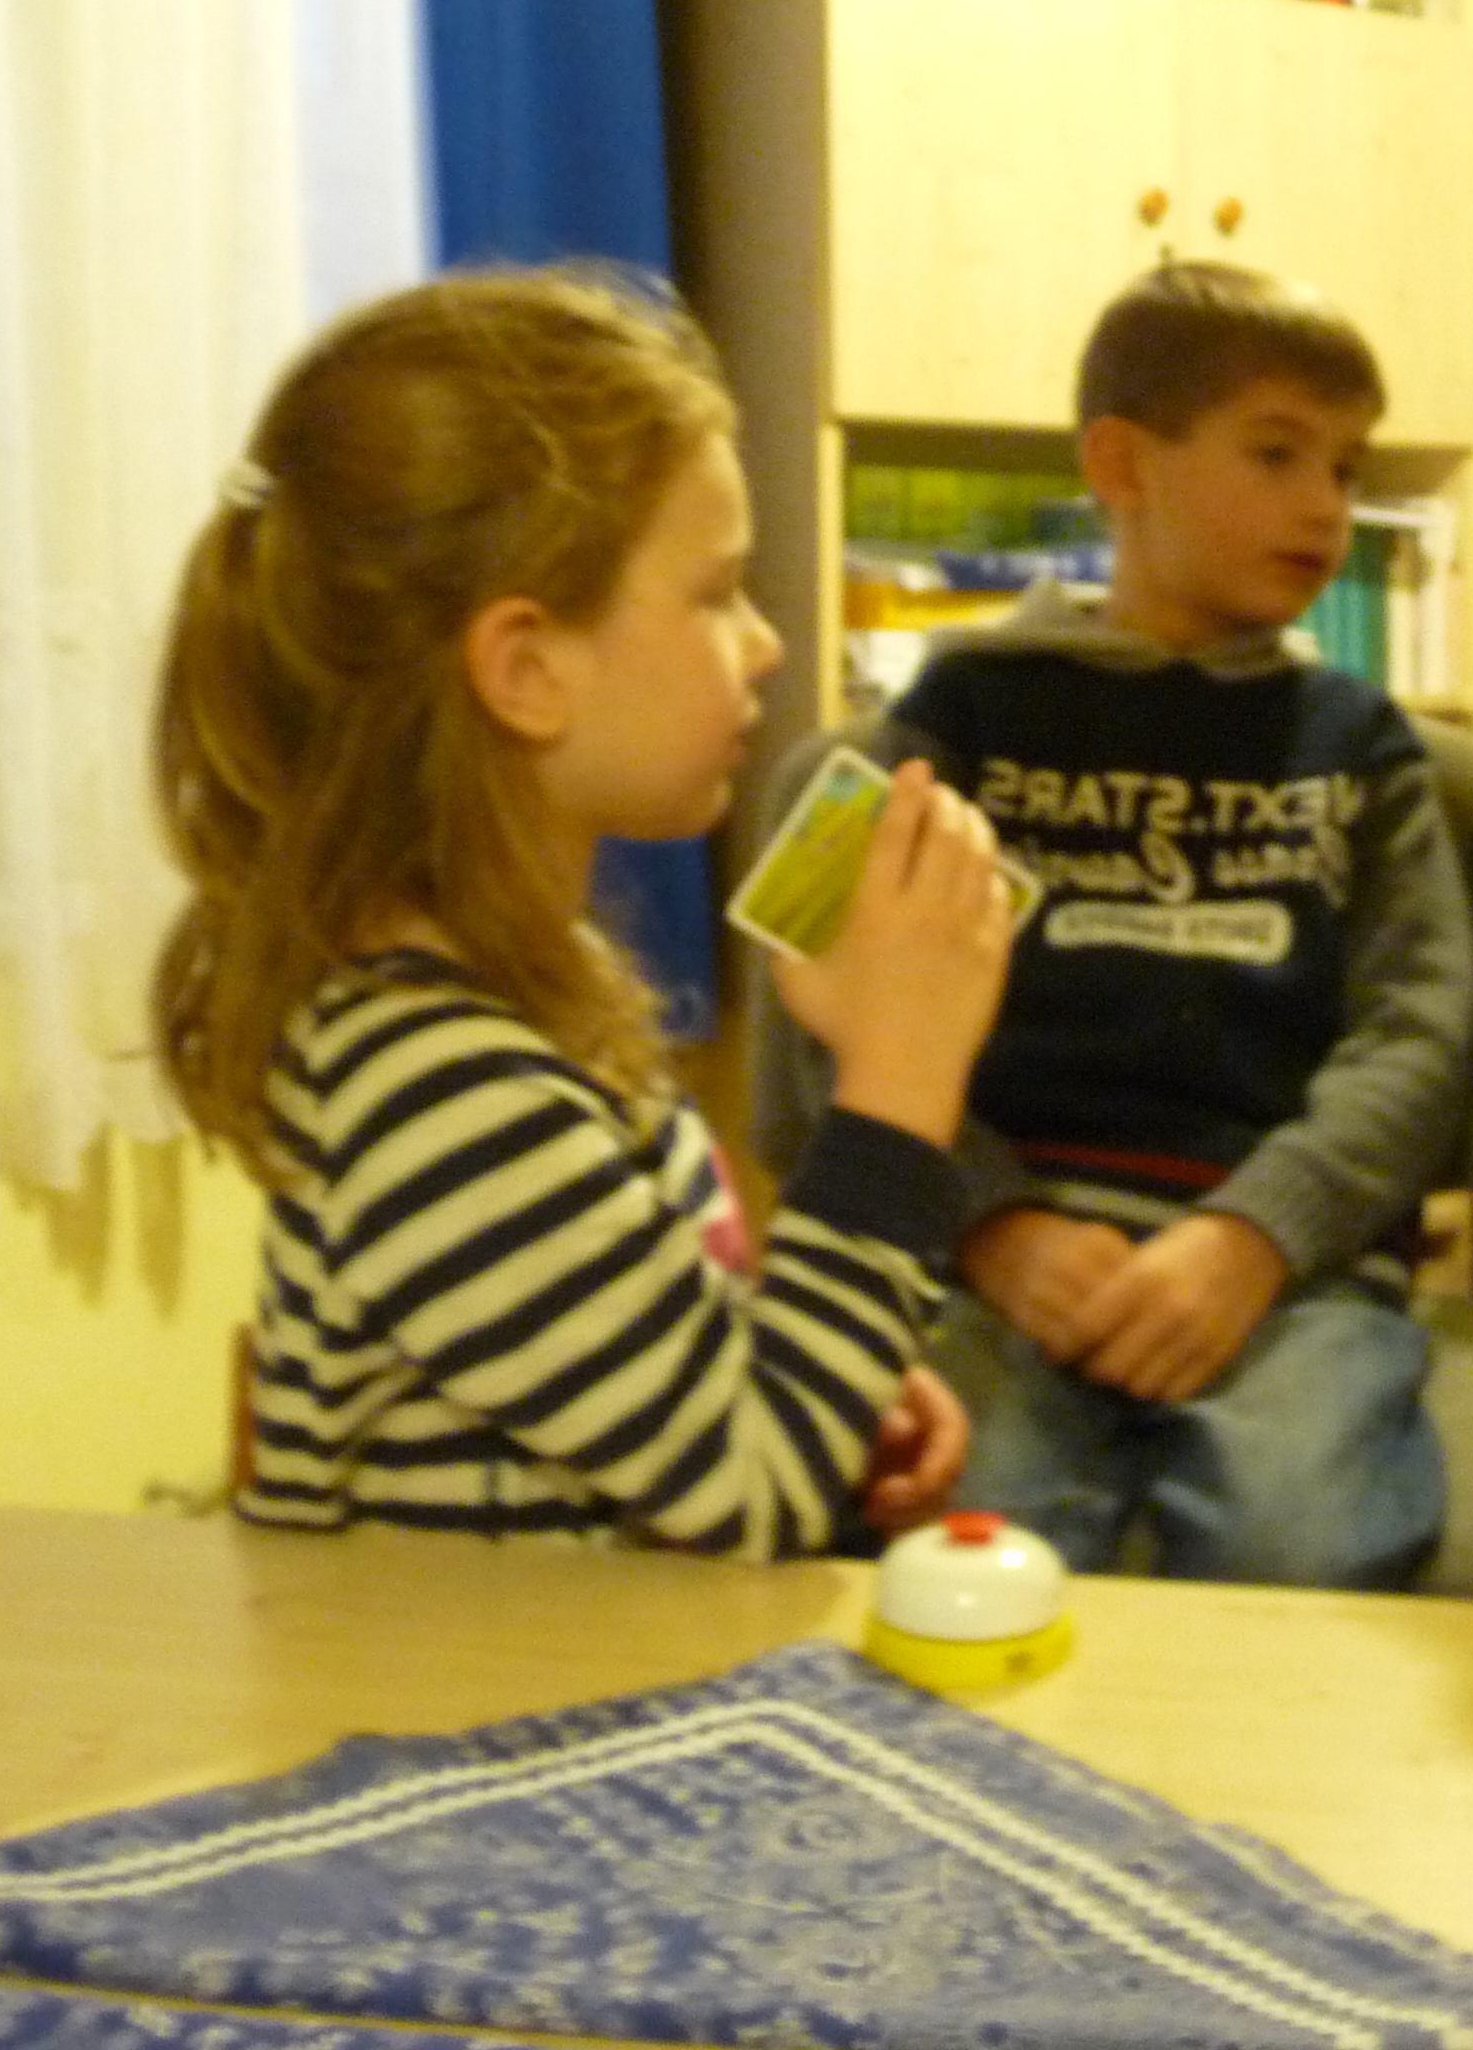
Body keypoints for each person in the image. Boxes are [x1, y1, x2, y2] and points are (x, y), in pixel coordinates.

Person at [152, 267, 1014, 1560]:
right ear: (527, 668)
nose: (766, 643)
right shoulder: (436, 1084)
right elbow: (755, 1488)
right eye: (715, 592)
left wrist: (824, 1376)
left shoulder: (522, 987)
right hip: (487, 1691)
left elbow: (668, 1367)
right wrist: (899, 1083)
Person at [752, 259, 1473, 1586]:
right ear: (1122, 465)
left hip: (1283, 1269)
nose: (1326, 506)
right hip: (993, 1258)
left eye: (1346, 467)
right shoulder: (935, 720)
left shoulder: (1367, 747)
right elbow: (817, 1028)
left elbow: (1421, 1037)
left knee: (1299, 1539)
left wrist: (1256, 1237)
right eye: (1277, 454)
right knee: (962, 1533)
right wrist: (991, 1223)